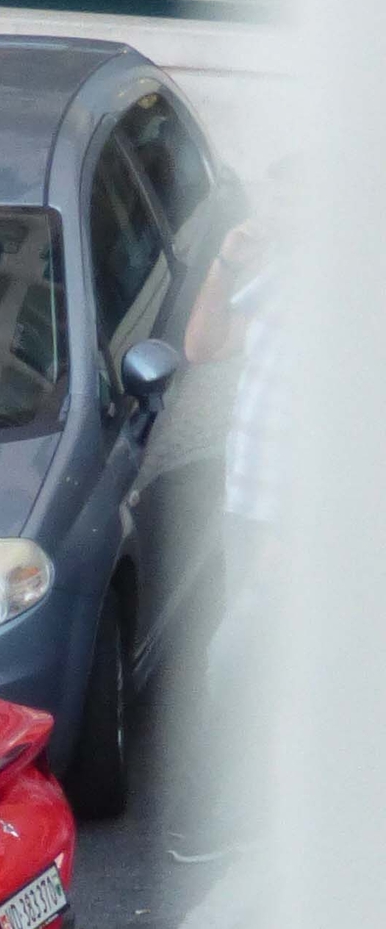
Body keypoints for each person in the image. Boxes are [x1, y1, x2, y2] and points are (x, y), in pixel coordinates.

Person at [171, 184, 289, 864]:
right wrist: (225, 262)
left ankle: (232, 811)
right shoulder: (277, 283)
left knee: (231, 661)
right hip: (245, 508)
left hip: (287, 525)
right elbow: (203, 345)